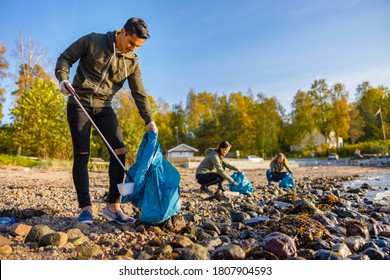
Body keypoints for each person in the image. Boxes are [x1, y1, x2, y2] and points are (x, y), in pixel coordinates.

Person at [55, 17, 158, 225]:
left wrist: (149, 120)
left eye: (137, 46)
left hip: (104, 106)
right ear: (122, 32)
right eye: (131, 43)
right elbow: (65, 58)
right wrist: (63, 79)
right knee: (82, 153)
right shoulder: (93, 41)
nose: (132, 49)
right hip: (79, 101)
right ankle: (85, 208)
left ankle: (113, 207)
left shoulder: (132, 62)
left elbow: (139, 93)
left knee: (119, 151)